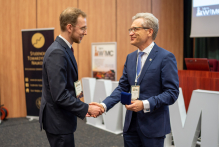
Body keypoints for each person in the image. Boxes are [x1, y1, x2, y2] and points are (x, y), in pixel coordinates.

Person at [89, 12, 179, 147]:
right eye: (130, 29)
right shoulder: (130, 58)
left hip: (153, 128)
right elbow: (122, 87)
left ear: (149, 31)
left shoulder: (165, 57)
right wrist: (104, 105)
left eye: (135, 29)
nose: (131, 33)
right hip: (130, 126)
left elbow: (172, 93)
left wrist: (144, 104)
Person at [39, 7, 103, 147]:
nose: (85, 32)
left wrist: (80, 104)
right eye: (83, 28)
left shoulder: (65, 49)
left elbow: (68, 85)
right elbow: (60, 95)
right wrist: (86, 108)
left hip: (62, 118)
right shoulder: (57, 52)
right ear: (69, 27)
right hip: (58, 122)